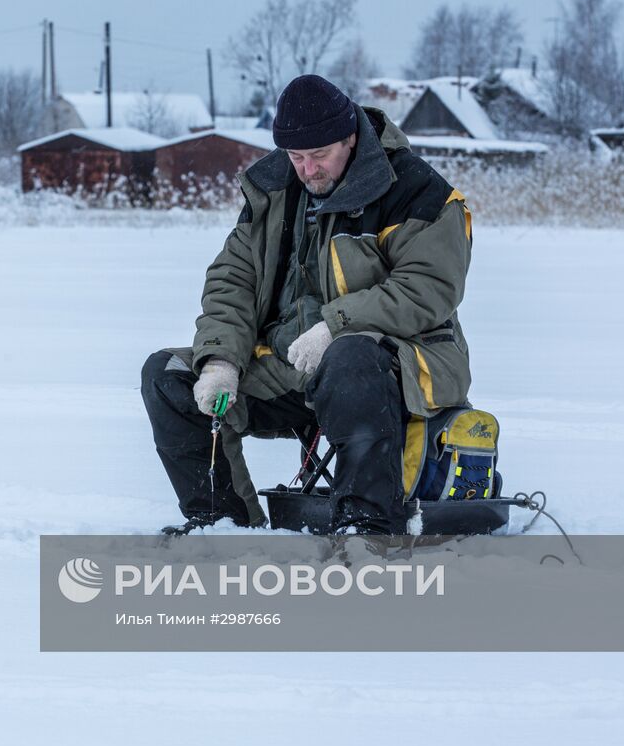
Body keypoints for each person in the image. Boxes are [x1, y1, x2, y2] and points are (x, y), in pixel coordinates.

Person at [140, 74, 473, 535]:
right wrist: (220, 360)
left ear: (351, 138)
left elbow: (428, 290)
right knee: (168, 376)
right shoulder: (272, 190)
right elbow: (231, 280)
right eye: (297, 157)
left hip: (401, 365)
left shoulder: (417, 192)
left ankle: (368, 528)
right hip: (290, 365)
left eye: (320, 156)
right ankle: (222, 525)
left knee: (350, 356)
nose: (308, 169)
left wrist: (335, 326)